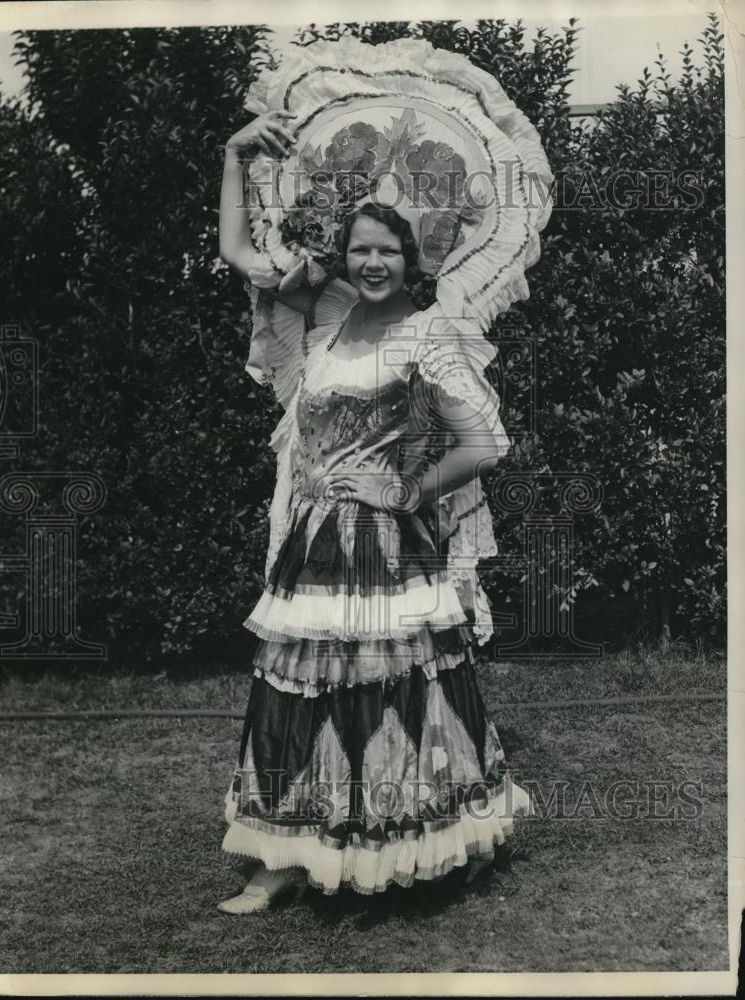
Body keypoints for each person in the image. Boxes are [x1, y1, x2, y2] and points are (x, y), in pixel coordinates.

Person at [216, 110, 527, 914]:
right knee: (293, 693)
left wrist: (411, 489)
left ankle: (416, 842)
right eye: (361, 249)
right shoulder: (325, 317)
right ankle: (282, 858)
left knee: (397, 696)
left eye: (389, 250)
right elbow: (239, 255)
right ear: (342, 255)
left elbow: (486, 441)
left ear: (411, 257)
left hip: (386, 548)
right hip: (313, 541)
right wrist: (235, 153)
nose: (375, 261)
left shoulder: (427, 334)